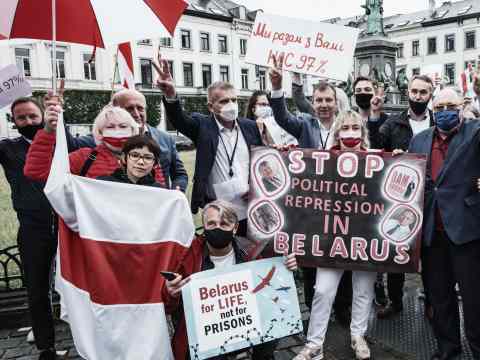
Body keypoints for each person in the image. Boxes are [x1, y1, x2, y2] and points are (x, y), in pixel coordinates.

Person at [269, 56, 352, 328]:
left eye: (329, 100)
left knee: (341, 257)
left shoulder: (346, 127)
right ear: (313, 103)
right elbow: (281, 116)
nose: (324, 105)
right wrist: (278, 85)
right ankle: (311, 309)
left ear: (335, 102)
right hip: (309, 205)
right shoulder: (304, 124)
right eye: (319, 100)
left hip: (341, 206)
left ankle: (342, 309)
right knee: (308, 257)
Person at [162, 200, 297, 360]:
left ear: (235, 228)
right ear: (204, 226)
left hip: (243, 325)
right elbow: (168, 306)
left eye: (224, 224)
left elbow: (271, 293)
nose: (217, 227)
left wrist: (286, 270)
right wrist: (172, 293)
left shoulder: (250, 252)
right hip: (203, 334)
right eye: (211, 223)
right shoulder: (188, 255)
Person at [294, 110, 375, 360]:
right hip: (332, 237)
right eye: (345, 128)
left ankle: (358, 335)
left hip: (366, 236)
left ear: (362, 133)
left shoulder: (377, 160)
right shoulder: (324, 160)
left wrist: (398, 160)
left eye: (355, 128)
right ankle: (314, 344)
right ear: (337, 132)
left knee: (363, 289)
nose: (350, 133)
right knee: (323, 290)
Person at [154, 55, 262, 236]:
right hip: (217, 210)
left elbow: (261, 162)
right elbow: (180, 120)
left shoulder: (250, 127)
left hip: (250, 206)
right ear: (211, 107)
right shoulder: (202, 126)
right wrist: (171, 94)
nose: (231, 105)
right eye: (224, 101)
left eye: (234, 100)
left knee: (249, 253)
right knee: (221, 254)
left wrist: (256, 188)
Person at [408, 88, 480, 360]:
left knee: (475, 301)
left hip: (467, 232)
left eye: (451, 105)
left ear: (462, 106)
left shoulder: (474, 132)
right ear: (432, 110)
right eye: (439, 107)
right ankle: (448, 349)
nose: (445, 111)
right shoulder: (419, 140)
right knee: (439, 298)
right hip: (431, 234)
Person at [0, 97, 65, 360]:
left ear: (43, 115)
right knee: (37, 291)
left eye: (32, 116)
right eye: (21, 118)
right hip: (32, 228)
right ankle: (45, 347)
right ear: (13, 122)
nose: (28, 122)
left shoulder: (61, 142)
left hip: (66, 225)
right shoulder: (8, 148)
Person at [373, 74, 435, 319]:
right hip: (401, 198)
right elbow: (376, 147)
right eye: (415, 91)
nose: (418, 96)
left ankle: (432, 301)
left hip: (431, 197)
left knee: (431, 253)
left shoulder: (437, 120)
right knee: (397, 249)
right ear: (407, 92)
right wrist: (392, 155)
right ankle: (395, 301)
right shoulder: (394, 123)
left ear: (430, 94)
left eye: (423, 92)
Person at [24, 105, 166, 186]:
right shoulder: (84, 157)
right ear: (99, 132)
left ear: (133, 131)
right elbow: (37, 172)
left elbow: (159, 193)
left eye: (123, 126)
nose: (117, 132)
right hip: (94, 235)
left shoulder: (147, 159)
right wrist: (48, 131)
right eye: (110, 127)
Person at [77, 89, 188, 191]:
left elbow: (179, 174)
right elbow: (69, 144)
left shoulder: (166, 139)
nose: (136, 114)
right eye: (129, 109)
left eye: (140, 108)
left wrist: (177, 191)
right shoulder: (102, 138)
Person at [97, 135, 163, 187]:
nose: (141, 162)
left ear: (155, 162)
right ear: (123, 157)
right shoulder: (103, 183)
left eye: (148, 158)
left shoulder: (159, 191)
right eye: (134, 155)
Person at [352, 76, 388, 149]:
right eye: (358, 90)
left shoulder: (387, 121)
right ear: (354, 95)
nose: (363, 93)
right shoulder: (348, 119)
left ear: (375, 93)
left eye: (367, 89)